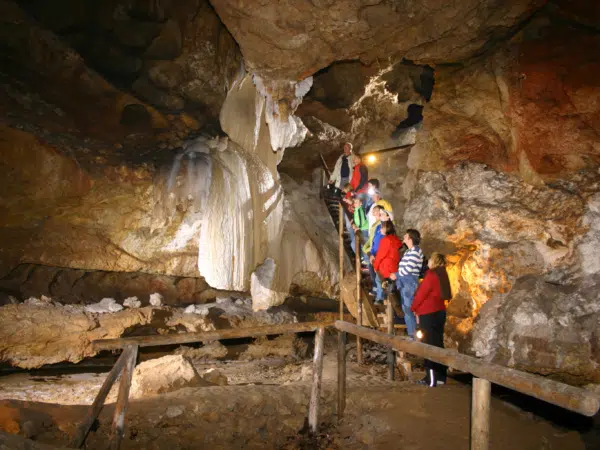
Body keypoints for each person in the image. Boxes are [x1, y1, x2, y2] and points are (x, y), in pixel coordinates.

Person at [411, 253, 452, 387]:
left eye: (429, 259)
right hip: (440, 312)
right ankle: (440, 377)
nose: (427, 261)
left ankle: (431, 379)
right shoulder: (443, 274)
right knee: (438, 344)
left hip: (428, 313)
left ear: (433, 261)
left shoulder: (431, 274)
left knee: (428, 345)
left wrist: (413, 307)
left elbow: (422, 293)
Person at [390, 229, 423, 339]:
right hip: (404, 282)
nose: (403, 237)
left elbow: (408, 269)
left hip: (409, 282)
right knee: (406, 309)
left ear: (410, 238)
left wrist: (397, 275)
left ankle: (414, 335)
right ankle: (411, 334)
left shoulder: (416, 251)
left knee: (409, 308)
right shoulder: (408, 251)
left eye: (405, 235)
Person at [372, 221, 402, 304]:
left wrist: (375, 266)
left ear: (387, 229)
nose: (380, 229)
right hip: (394, 266)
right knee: (391, 286)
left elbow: (380, 255)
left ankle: (380, 299)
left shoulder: (385, 240)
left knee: (379, 280)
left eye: (382, 227)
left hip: (386, 266)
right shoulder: (395, 239)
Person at [351, 196, 369, 261]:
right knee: (356, 244)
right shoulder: (357, 210)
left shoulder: (359, 210)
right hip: (362, 229)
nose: (354, 204)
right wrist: (353, 222)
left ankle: (365, 260)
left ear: (361, 203)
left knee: (362, 244)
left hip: (364, 229)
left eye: (356, 202)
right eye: (354, 202)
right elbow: (356, 219)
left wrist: (358, 227)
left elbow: (362, 220)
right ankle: (363, 258)